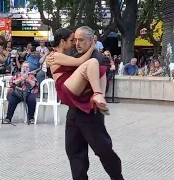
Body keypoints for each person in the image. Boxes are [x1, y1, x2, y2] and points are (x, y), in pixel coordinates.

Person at [47, 26, 123, 180]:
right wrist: (51, 58)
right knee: (74, 153)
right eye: (75, 40)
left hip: (90, 113)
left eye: (81, 40)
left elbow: (104, 82)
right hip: (73, 112)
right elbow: (64, 63)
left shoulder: (100, 58)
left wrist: (98, 95)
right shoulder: (73, 54)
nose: (77, 43)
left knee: (103, 150)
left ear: (91, 40)